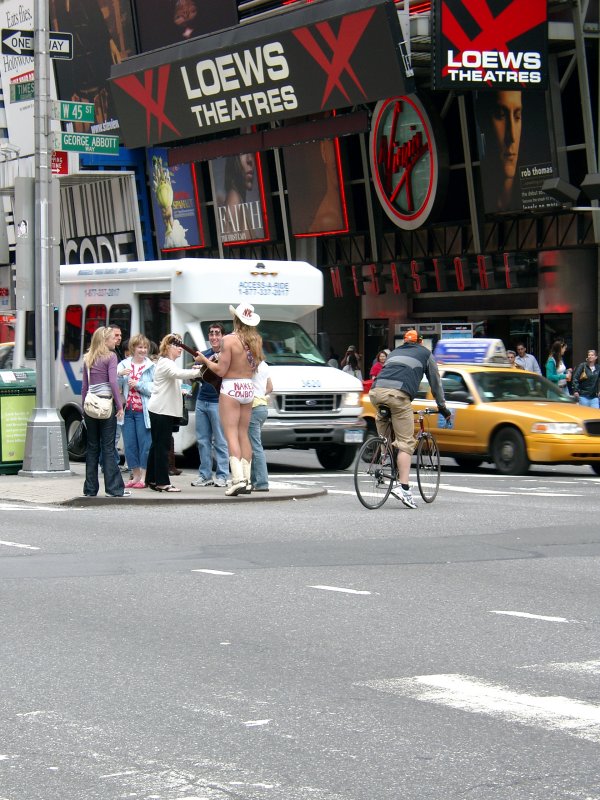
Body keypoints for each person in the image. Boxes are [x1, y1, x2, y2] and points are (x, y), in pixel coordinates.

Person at [369, 329, 451, 509]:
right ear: (420, 342)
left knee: (385, 428)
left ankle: (384, 458)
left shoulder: (394, 353)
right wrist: (442, 407)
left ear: (404, 342)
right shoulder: (426, 354)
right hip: (398, 395)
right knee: (406, 442)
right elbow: (435, 382)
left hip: (376, 393)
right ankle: (404, 488)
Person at [195, 302, 263, 497]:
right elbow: (256, 366)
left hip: (231, 387)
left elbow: (220, 370)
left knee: (231, 434)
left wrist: (204, 360)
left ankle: (237, 480)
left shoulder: (229, 340)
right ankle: (247, 481)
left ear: (236, 320)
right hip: (248, 387)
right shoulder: (256, 340)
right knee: (243, 434)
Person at [146, 333, 202, 493]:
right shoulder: (165, 363)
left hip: (161, 409)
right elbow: (179, 374)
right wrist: (199, 372)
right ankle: (162, 482)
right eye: (177, 345)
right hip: (162, 410)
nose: (180, 348)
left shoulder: (167, 363)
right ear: (168, 346)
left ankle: (152, 479)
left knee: (157, 446)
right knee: (162, 447)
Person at [81, 326, 129, 498]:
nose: (115, 340)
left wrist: (83, 409)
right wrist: (119, 405)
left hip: (90, 406)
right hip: (106, 405)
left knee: (92, 447)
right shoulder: (111, 356)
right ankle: (113, 489)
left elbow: (85, 387)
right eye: (112, 338)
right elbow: (113, 383)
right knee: (108, 447)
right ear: (105, 340)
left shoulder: (88, 358)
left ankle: (90, 489)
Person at [191, 322, 229, 488]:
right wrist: (195, 373)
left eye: (217, 333)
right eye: (211, 333)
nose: (214, 337)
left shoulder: (226, 355)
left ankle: (222, 475)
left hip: (218, 401)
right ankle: (205, 475)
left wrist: (205, 362)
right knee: (202, 440)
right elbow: (196, 377)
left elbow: (223, 373)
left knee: (220, 440)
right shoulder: (204, 354)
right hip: (202, 399)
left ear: (223, 336)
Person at [117, 334, 155, 489]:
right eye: (140, 347)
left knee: (145, 445)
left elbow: (155, 388)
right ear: (133, 348)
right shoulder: (123, 364)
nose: (143, 350)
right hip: (127, 411)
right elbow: (115, 385)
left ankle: (144, 477)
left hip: (143, 411)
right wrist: (120, 376)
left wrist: (138, 384)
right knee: (130, 445)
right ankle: (135, 476)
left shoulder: (151, 366)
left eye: (145, 347)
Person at [476, 89, 523, 213]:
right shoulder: (474, 195)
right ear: (483, 119)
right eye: (501, 115)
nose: (512, 136)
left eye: (517, 116)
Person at [248, 359, 273, 492]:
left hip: (252, 406)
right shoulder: (264, 365)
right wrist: (260, 394)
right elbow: (270, 387)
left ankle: (262, 483)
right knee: (253, 445)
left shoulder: (249, 364)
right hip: (262, 406)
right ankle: (254, 481)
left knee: (255, 446)